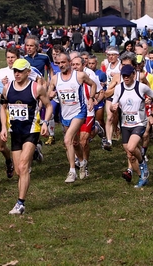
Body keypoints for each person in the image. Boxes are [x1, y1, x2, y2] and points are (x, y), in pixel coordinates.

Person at [0, 58, 52, 214]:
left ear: (28, 72)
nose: (17, 74)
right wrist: (3, 126)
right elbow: (3, 108)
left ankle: (20, 203)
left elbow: (48, 106)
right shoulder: (7, 88)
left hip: (32, 130)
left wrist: (45, 122)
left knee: (23, 167)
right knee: (18, 170)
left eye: (20, 71)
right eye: (15, 71)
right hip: (15, 132)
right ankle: (35, 152)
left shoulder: (36, 88)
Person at [48, 52, 96, 183]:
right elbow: (49, 94)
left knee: (67, 139)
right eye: (59, 63)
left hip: (79, 112)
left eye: (64, 62)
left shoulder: (79, 76)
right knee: (75, 143)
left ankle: (72, 171)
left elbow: (93, 85)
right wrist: (50, 95)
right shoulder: (55, 79)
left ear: (69, 62)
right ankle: (82, 162)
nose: (61, 65)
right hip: (65, 114)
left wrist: (91, 98)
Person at [110, 64, 153, 187]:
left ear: (133, 75)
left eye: (128, 76)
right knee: (130, 154)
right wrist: (113, 108)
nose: (125, 78)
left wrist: (152, 113)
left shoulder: (141, 87)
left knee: (131, 147)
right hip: (125, 124)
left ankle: (143, 163)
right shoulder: (119, 88)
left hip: (139, 123)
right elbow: (112, 105)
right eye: (123, 76)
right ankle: (142, 176)